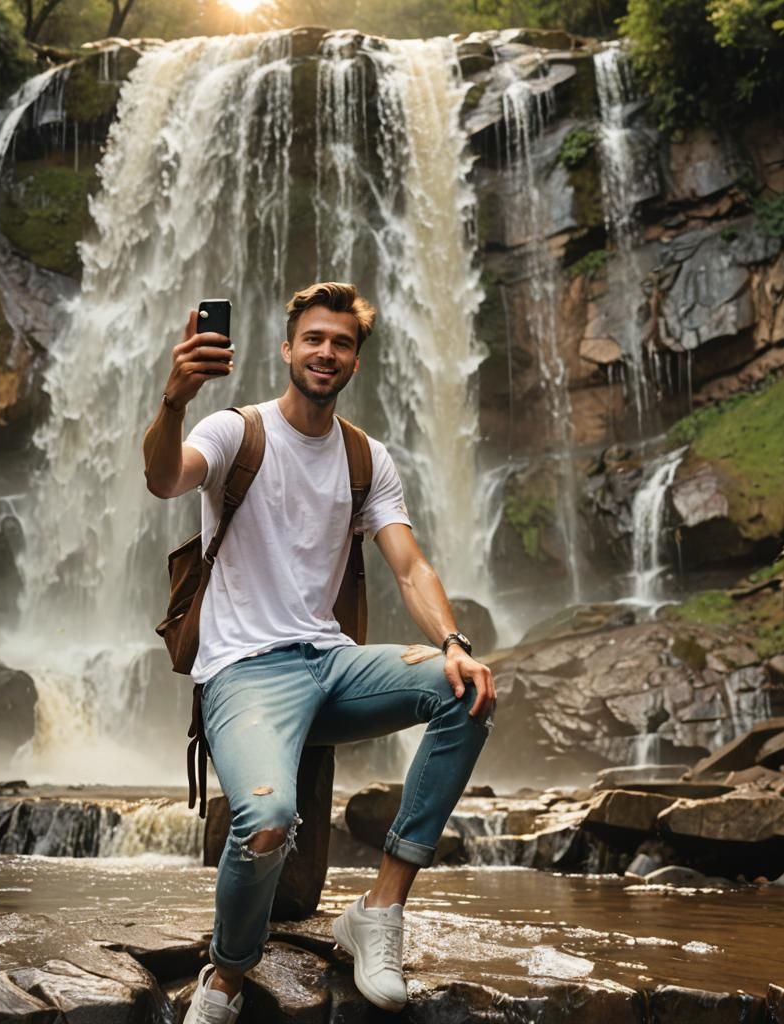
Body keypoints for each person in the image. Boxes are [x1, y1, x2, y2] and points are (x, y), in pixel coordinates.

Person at [142, 282, 496, 1022]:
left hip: (331, 666)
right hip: (244, 672)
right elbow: (165, 477)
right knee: (267, 821)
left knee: (465, 691)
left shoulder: (367, 458)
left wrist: (454, 644)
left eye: (341, 343)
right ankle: (227, 976)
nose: (325, 352)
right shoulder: (235, 432)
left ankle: (378, 910)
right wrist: (174, 400)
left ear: (355, 362)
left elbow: (410, 565)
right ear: (287, 348)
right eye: (314, 338)